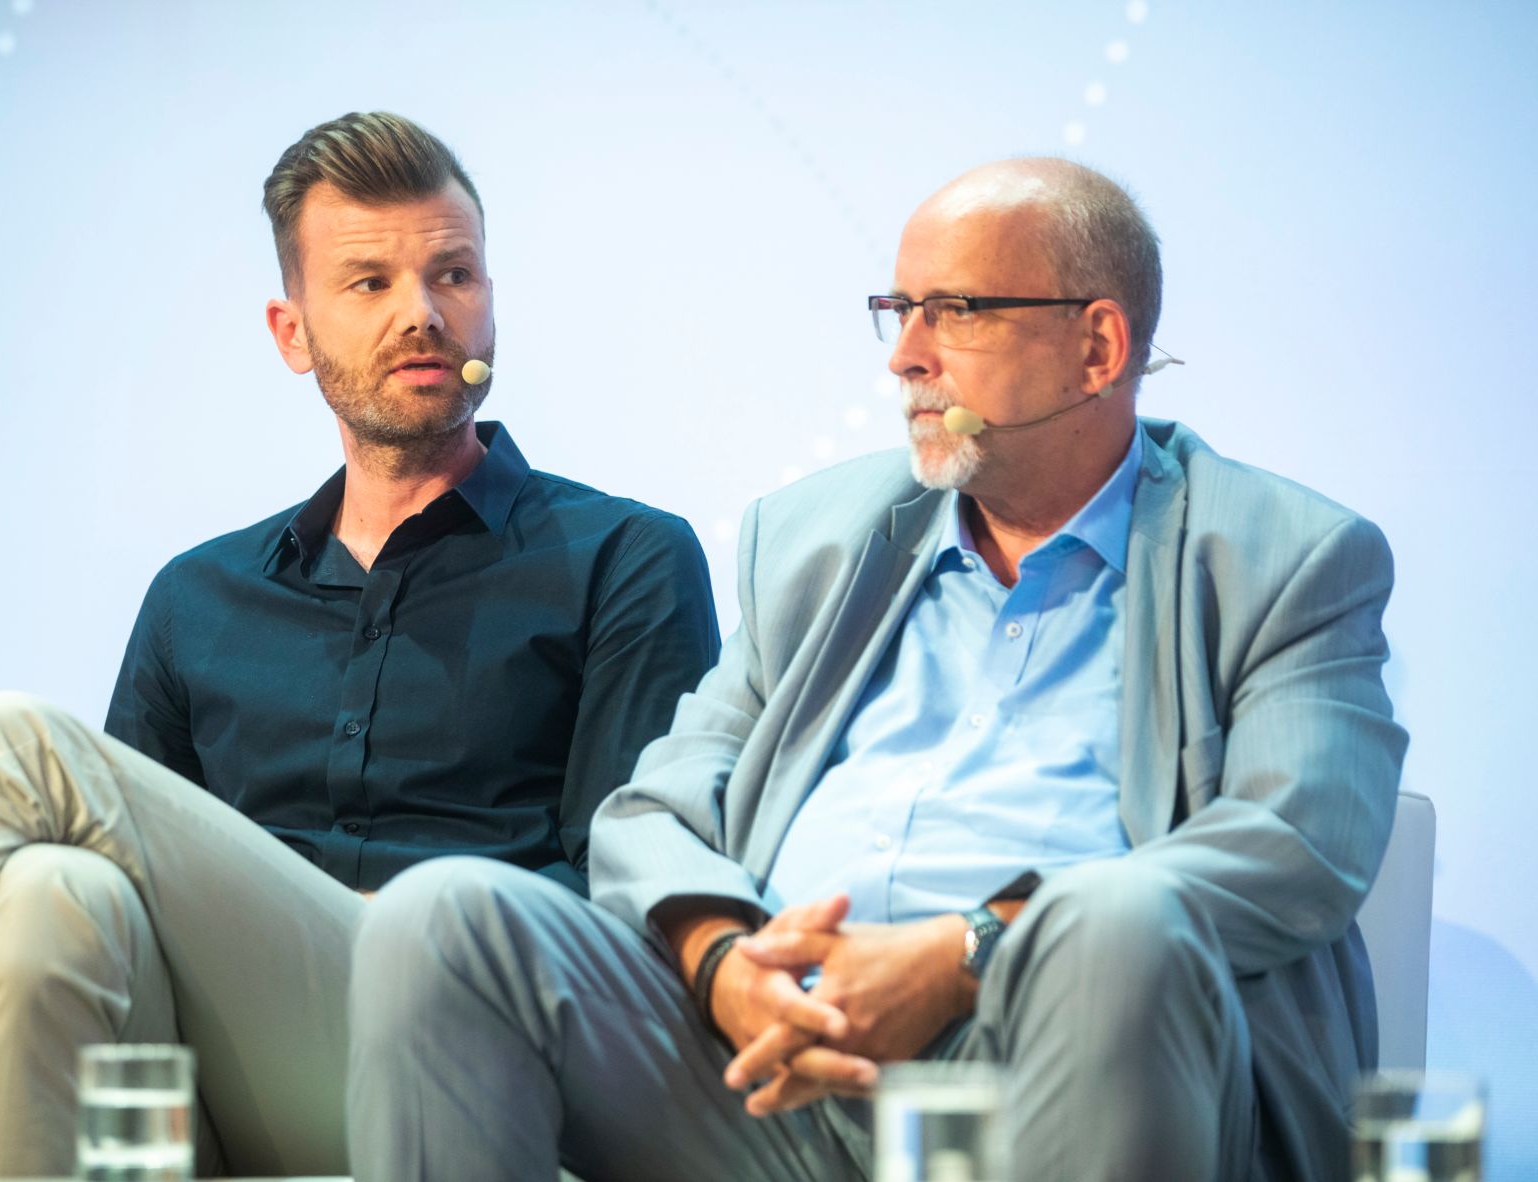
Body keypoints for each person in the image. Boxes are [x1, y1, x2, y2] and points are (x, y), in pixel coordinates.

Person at [345, 157, 1408, 1182]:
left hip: (1051, 1061)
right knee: (445, 918)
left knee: (1112, 921)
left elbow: (1297, 841)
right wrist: (724, 966)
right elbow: (650, 811)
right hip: (771, 1067)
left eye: (954, 311)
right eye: (896, 311)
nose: (904, 354)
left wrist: (962, 953)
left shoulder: (1279, 554)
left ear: (1096, 346)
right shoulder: (819, 538)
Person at [0, 111, 717, 1178]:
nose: (422, 314)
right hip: (225, 1076)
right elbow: (127, 879)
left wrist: (403, 922)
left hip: (475, 1045)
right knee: (49, 893)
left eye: (453, 274)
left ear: (490, 302)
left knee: (15, 743)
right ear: (291, 332)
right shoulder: (198, 596)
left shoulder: (623, 556)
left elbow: (628, 895)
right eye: (369, 284)